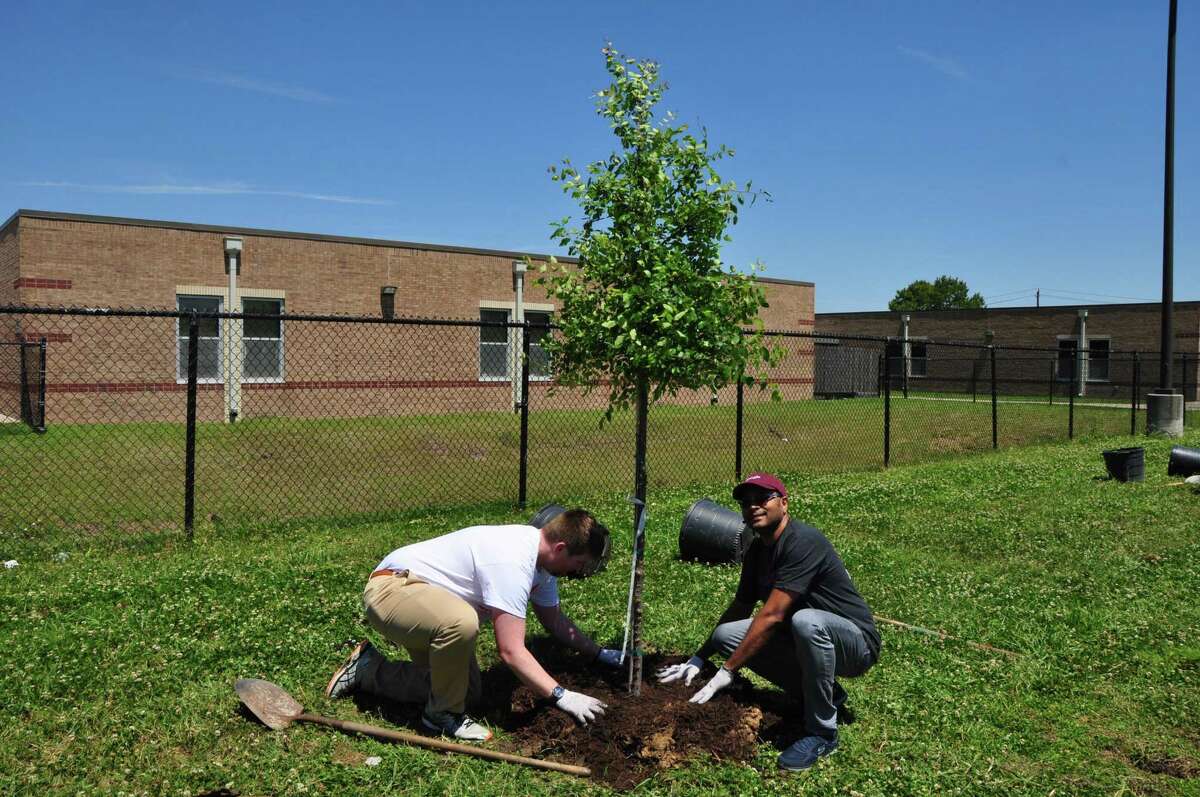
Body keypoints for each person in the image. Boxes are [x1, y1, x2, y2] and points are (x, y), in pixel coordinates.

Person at [325, 509, 622, 741]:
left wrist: (598, 653)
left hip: (428, 603)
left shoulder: (543, 568)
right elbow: (510, 651)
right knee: (462, 622)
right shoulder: (513, 559)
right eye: (580, 563)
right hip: (393, 590)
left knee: (464, 692)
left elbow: (554, 620)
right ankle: (440, 717)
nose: (579, 572)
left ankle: (368, 670)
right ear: (560, 548)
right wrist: (562, 695)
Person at [657, 472, 880, 771]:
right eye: (745, 502)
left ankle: (822, 733)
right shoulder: (757, 552)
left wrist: (728, 670)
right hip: (804, 636)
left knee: (806, 621)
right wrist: (699, 657)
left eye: (763, 498)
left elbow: (773, 614)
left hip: (854, 644)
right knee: (727, 635)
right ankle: (826, 694)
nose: (753, 506)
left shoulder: (803, 541)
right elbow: (741, 606)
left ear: (784, 503)